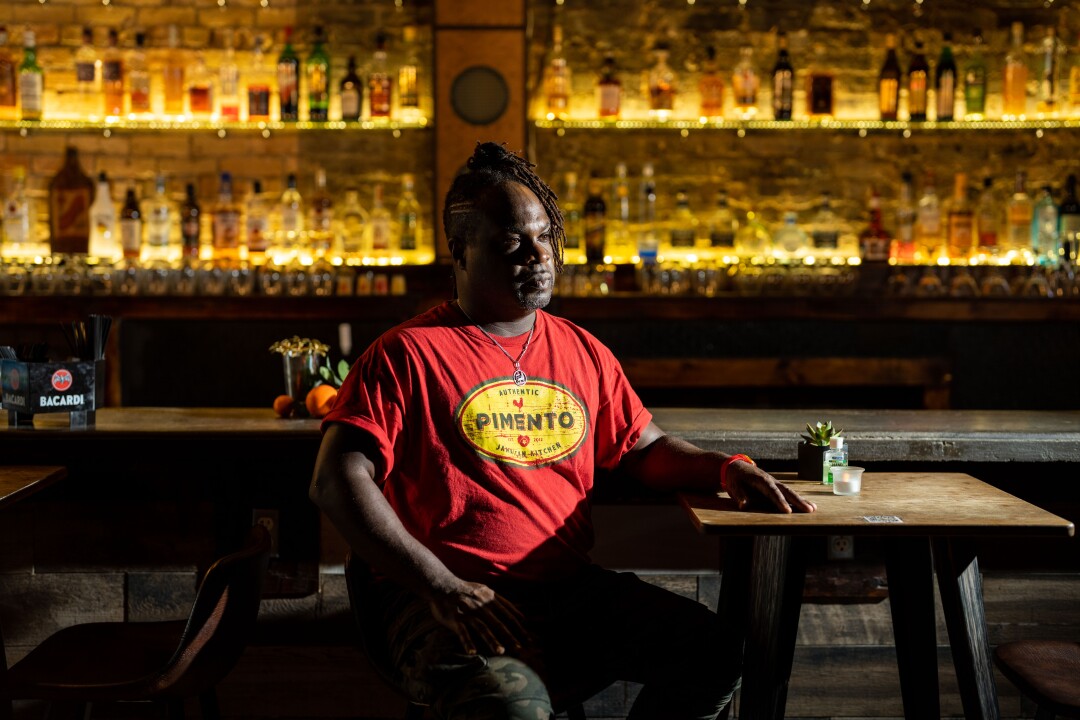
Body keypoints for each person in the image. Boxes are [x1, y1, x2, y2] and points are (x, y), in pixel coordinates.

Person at [310, 142, 816, 720]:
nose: (539, 254)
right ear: (462, 250)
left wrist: (727, 468)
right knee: (510, 705)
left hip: (567, 593)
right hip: (442, 599)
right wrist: (441, 585)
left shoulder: (581, 349)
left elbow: (645, 448)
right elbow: (336, 479)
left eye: (546, 236)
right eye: (513, 240)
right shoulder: (404, 354)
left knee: (716, 652)